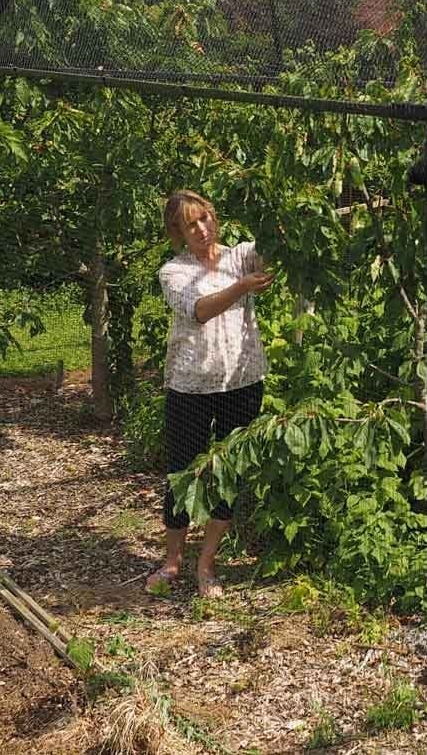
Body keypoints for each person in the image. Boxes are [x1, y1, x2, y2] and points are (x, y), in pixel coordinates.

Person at [147, 189, 274, 598]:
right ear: (178, 232)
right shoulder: (174, 271)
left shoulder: (240, 256)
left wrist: (279, 209)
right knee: (183, 473)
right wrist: (242, 288)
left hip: (242, 381)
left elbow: (274, 248)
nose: (201, 229)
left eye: (205, 219)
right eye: (190, 224)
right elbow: (199, 310)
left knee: (227, 475)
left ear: (213, 217)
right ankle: (172, 561)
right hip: (191, 387)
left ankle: (207, 563)